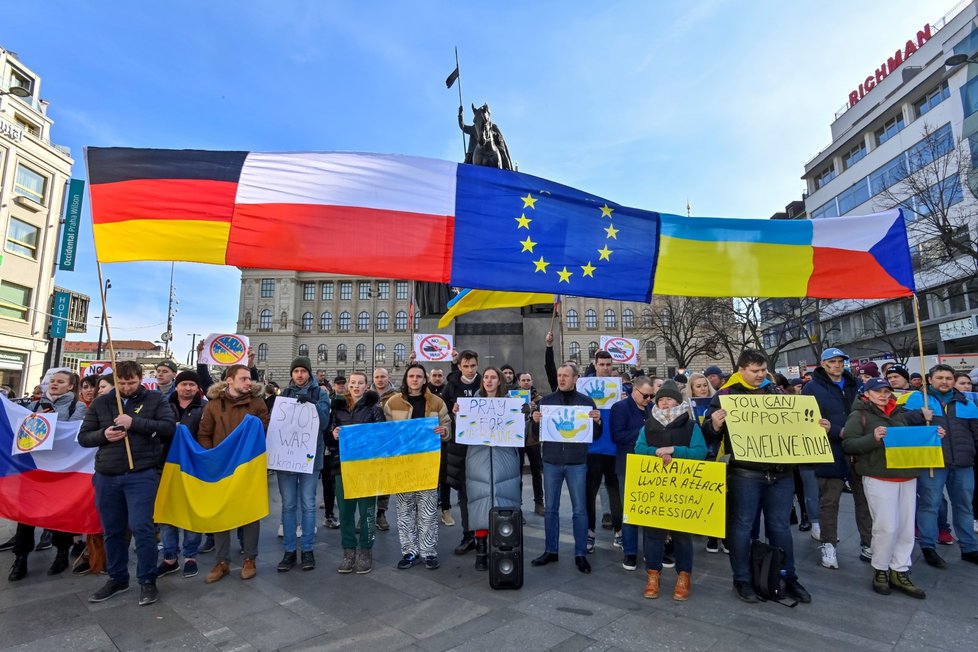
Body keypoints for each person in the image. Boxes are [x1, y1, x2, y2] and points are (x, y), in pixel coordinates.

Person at [703, 349, 819, 604]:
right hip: (745, 473)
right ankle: (742, 579)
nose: (760, 375)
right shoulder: (726, 395)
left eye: (763, 370)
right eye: (755, 371)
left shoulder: (776, 392)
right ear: (741, 369)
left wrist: (816, 427)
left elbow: (796, 424)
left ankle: (788, 576)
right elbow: (706, 434)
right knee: (742, 527)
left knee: (780, 528)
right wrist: (714, 424)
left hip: (780, 472)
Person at [78, 360, 176, 606]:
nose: (127, 387)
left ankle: (147, 580)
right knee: (112, 530)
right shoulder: (102, 403)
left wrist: (134, 422)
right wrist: (104, 435)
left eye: (131, 382)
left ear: (140, 378)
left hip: (141, 473)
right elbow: (84, 437)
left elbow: (167, 427)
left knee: (142, 527)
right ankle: (117, 578)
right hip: (107, 474)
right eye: (121, 383)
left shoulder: (155, 400)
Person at [843, 378, 938, 598]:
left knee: (905, 528)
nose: (884, 395)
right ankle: (881, 569)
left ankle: (900, 569)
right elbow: (849, 444)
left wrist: (932, 435)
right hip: (878, 476)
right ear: (867, 394)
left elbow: (909, 440)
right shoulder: (859, 415)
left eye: (886, 391)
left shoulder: (898, 414)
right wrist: (873, 438)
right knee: (886, 527)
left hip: (906, 475)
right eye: (878, 392)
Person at [8, 369, 88, 582]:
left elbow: (74, 434)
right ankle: (21, 557)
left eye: (60, 381)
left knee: (58, 513)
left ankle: (62, 552)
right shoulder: (33, 405)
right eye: (52, 381)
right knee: (26, 514)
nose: (54, 384)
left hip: (59, 470)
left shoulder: (77, 407)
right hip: (34, 469)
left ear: (70, 386)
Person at [197, 364, 270, 584]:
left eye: (250, 378)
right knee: (221, 515)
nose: (249, 382)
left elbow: (265, 431)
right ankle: (221, 562)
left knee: (250, 514)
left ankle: (250, 559)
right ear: (230, 380)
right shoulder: (213, 405)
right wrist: (213, 457)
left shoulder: (257, 403)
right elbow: (204, 433)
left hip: (248, 468)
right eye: (244, 379)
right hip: (221, 468)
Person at [634, 381, 707, 600]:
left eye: (669, 399)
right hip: (655, 489)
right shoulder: (648, 424)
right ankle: (653, 575)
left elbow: (700, 452)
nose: (665, 403)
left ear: (678, 401)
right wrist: (656, 452)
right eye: (661, 399)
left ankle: (684, 575)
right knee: (653, 534)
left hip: (682, 490)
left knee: (682, 535)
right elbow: (638, 449)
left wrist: (675, 450)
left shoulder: (691, 425)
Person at [902, 364, 978, 568]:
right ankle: (928, 547)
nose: (944, 381)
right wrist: (920, 415)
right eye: (939, 378)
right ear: (930, 380)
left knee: (964, 506)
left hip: (963, 463)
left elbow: (976, 433)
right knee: (930, 505)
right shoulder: (918, 399)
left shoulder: (966, 402)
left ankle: (969, 547)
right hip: (932, 462)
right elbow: (898, 422)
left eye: (948, 378)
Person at [531, 362, 601, 573]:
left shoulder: (587, 402)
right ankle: (551, 550)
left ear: (576, 378)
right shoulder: (546, 402)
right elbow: (537, 434)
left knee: (579, 510)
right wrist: (534, 421)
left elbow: (594, 436)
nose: (561, 379)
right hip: (552, 461)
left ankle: (580, 553)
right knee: (551, 509)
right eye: (559, 375)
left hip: (577, 462)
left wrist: (598, 423)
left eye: (566, 376)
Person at [453, 367, 522, 571]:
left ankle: (503, 547)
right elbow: (464, 430)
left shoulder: (512, 404)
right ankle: (481, 552)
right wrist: (458, 415)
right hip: (478, 459)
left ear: (500, 381)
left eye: (493, 377)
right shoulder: (471, 404)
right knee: (478, 505)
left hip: (504, 460)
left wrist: (525, 415)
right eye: (486, 378)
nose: (489, 381)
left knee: (504, 503)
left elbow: (521, 430)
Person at [384, 363, 450, 570]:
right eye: (411, 376)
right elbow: (385, 432)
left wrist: (444, 431)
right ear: (406, 379)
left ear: (424, 380)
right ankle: (409, 551)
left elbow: (447, 426)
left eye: (419, 376)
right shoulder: (392, 402)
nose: (414, 379)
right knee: (404, 510)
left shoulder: (437, 402)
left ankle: (428, 551)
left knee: (428, 510)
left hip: (427, 464)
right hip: (403, 465)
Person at [803, 347, 862, 569]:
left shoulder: (854, 384)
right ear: (823, 363)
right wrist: (837, 430)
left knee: (864, 499)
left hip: (857, 448)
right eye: (833, 361)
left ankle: (867, 543)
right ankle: (829, 545)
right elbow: (809, 419)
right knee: (829, 501)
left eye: (840, 361)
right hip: (829, 450)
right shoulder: (812, 387)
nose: (837, 365)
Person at [275, 356, 330, 573]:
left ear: (309, 373)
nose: (299, 375)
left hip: (309, 458)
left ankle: (307, 549)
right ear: (291, 374)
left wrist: (313, 405)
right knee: (288, 506)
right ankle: (289, 551)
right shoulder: (284, 395)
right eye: (296, 371)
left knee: (308, 504)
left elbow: (324, 423)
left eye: (303, 371)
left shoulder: (320, 393)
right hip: (286, 458)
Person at [331, 372, 385, 574]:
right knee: (345, 511)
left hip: (366, 467)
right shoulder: (337, 407)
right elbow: (329, 433)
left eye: (359, 383)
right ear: (347, 385)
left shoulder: (374, 408)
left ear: (366, 385)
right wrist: (333, 434)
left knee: (367, 511)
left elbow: (381, 436)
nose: (355, 386)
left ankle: (365, 550)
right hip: (342, 466)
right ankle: (348, 551)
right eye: (352, 383)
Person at [156, 370, 207, 579]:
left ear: (197, 388)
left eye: (192, 385)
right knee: (167, 512)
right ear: (177, 386)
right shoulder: (163, 405)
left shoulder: (205, 407)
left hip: (194, 467)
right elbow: (154, 430)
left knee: (191, 511)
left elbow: (208, 434)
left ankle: (190, 556)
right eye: (184, 384)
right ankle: (170, 556)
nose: (188, 388)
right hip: (165, 464)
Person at [580, 351, 624, 554]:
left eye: (609, 364)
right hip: (592, 448)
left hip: (613, 448)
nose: (605, 368)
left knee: (615, 493)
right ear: (595, 365)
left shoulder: (619, 387)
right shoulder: (584, 386)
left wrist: (624, 400)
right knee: (589, 493)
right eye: (602, 364)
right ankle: (590, 532)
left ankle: (619, 531)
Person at [610, 376, 654, 570]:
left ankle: (651, 550)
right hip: (628, 465)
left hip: (649, 465)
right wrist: (644, 431)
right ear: (634, 391)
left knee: (649, 510)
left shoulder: (652, 408)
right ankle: (630, 552)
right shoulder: (620, 408)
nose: (648, 399)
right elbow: (617, 435)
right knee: (630, 510)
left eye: (651, 396)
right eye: (645, 395)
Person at [441, 350, 482, 554]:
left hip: (482, 446)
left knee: (482, 493)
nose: (469, 369)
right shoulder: (451, 386)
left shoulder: (485, 382)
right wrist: (453, 413)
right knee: (465, 493)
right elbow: (443, 412)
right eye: (466, 366)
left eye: (473, 365)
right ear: (459, 367)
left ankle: (482, 534)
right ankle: (467, 535)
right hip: (460, 446)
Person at [372, 367, 397, 532]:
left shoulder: (396, 397)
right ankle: (366, 515)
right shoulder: (366, 396)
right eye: (377, 377)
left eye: (383, 377)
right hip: (370, 443)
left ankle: (381, 513)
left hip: (388, 443)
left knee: (385, 482)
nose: (380, 380)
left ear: (388, 378)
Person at [518, 371, 545, 516]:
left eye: (528, 380)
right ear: (519, 382)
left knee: (537, 473)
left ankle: (539, 502)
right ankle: (518, 506)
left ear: (532, 381)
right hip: (518, 439)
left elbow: (544, 418)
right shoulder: (514, 397)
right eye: (523, 380)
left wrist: (536, 410)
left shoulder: (539, 399)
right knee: (518, 475)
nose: (526, 382)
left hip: (533, 440)